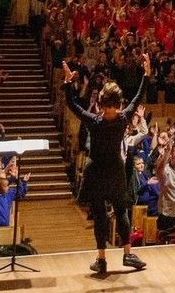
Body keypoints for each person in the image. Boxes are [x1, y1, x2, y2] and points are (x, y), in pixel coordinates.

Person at [63, 54, 149, 276]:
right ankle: (128, 253)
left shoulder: (94, 121)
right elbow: (138, 97)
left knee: (100, 214)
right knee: (121, 211)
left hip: (95, 171)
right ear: (119, 103)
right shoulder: (123, 119)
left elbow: (71, 103)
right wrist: (146, 74)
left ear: (100, 103)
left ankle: (101, 259)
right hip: (115, 171)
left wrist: (67, 83)